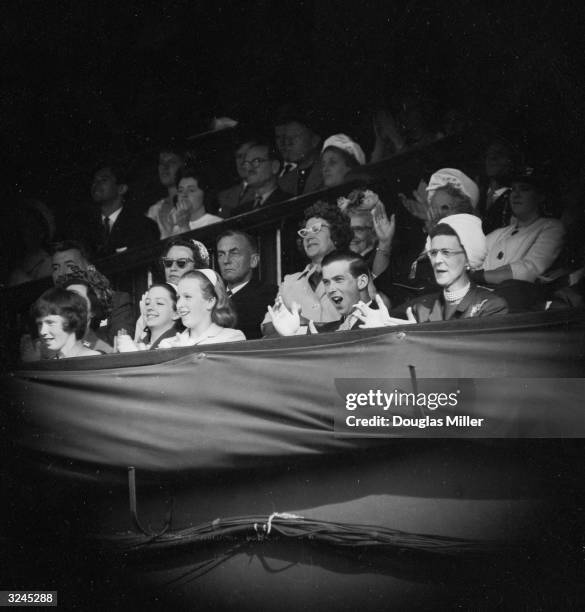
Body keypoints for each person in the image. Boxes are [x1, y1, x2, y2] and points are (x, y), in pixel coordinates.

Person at [356, 214, 509, 325]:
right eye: (434, 252)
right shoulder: (421, 307)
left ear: (468, 259)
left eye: (447, 252)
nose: (437, 260)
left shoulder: (491, 306)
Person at [262, 201, 353, 335]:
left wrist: (304, 324)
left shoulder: (353, 272)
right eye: (305, 232)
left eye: (316, 229)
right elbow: (267, 327)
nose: (309, 237)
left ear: (336, 234)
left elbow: (360, 321)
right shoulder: (290, 282)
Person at [268, 251, 373, 335]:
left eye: (339, 279)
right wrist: (293, 334)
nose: (331, 289)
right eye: (326, 282)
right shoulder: (333, 329)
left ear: (361, 282)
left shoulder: (385, 322)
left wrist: (386, 333)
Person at [49, 240, 134, 344]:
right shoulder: (47, 308)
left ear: (90, 268)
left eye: (70, 265)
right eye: (56, 268)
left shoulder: (116, 301)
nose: (61, 273)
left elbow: (120, 347)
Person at [83, 163, 160, 258]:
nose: (96, 184)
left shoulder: (142, 225)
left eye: (103, 180)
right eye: (94, 181)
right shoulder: (85, 229)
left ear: (121, 189)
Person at [158, 269, 245, 347]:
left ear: (210, 301)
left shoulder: (232, 338)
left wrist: (183, 351)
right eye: (178, 298)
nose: (179, 305)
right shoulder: (167, 344)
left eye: (187, 296)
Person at [216, 230, 278, 339]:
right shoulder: (211, 296)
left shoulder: (270, 295)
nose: (226, 260)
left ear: (253, 260)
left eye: (234, 253)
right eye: (221, 254)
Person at [30, 288, 101, 359]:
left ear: (73, 322)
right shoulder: (50, 363)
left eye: (50, 323)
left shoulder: (95, 360)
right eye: (40, 324)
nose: (42, 331)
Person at [229, 142, 292, 215]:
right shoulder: (239, 212)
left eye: (256, 161)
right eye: (246, 163)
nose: (249, 168)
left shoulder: (288, 204)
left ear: (275, 166)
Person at [116, 284, 182, 352]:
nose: (150, 307)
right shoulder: (138, 344)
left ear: (176, 314)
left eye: (159, 303)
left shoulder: (181, 344)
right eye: (147, 303)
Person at [277, 112, 323, 196]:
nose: (287, 143)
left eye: (294, 136)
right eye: (286, 138)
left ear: (314, 140)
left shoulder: (329, 172)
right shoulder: (283, 183)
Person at [146, 145, 186, 239]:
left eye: (171, 162)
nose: (165, 167)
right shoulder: (154, 210)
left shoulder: (192, 202)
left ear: (182, 165)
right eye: (161, 163)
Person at [172, 167, 222, 232]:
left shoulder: (215, 223)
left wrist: (184, 227)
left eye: (191, 190)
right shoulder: (176, 229)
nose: (184, 195)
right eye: (180, 191)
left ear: (205, 194)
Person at [217, 135, 257, 218]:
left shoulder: (267, 189)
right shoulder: (223, 196)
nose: (242, 161)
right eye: (239, 156)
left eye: (247, 155)